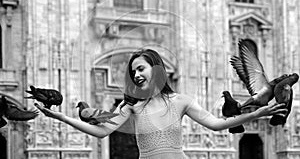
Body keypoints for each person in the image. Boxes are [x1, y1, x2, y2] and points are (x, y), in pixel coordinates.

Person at [35, 48, 287, 159]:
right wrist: (61, 117)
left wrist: (259, 113)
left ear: (155, 69)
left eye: (140, 68)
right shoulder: (131, 105)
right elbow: (102, 132)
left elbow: (217, 124)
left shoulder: (180, 101)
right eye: (132, 71)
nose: (135, 75)